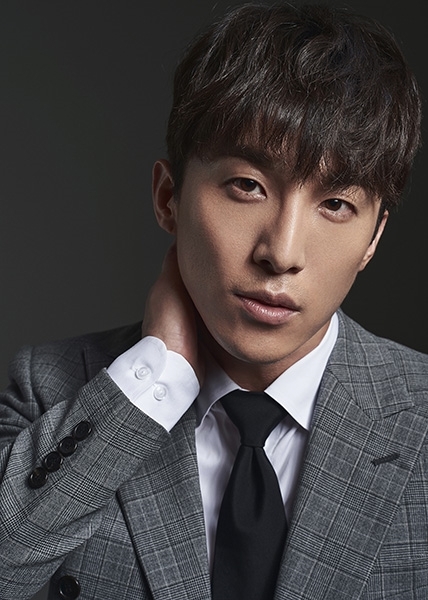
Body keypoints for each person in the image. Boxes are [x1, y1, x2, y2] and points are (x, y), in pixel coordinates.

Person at [0, 2, 426, 599]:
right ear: (168, 198)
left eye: (335, 204)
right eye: (247, 186)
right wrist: (154, 379)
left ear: (374, 238)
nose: (282, 253)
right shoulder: (51, 389)